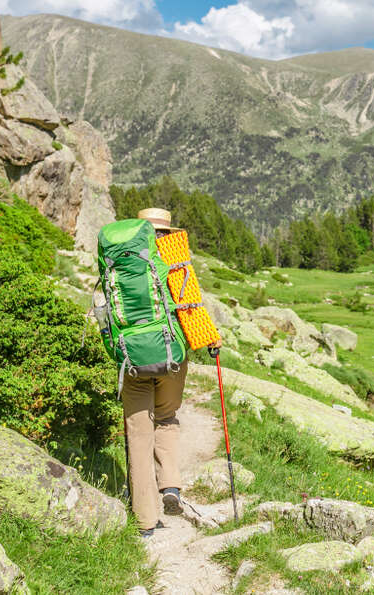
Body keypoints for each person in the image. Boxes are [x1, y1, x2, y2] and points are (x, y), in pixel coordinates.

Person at [123, 207, 219, 538]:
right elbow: (190, 307)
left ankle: (144, 520)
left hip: (133, 358)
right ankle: (171, 486)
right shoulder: (174, 260)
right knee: (166, 418)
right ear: (166, 230)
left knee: (138, 432)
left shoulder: (121, 261)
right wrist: (210, 341)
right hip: (172, 356)